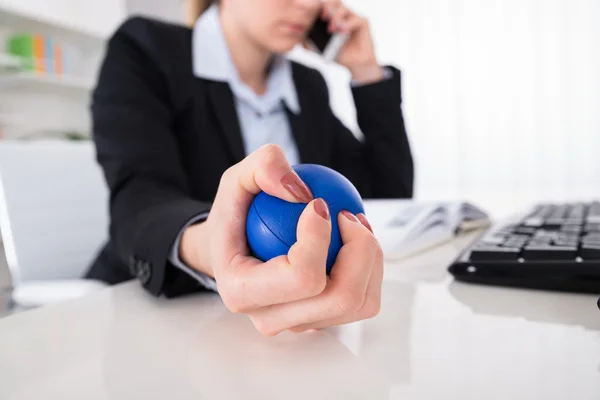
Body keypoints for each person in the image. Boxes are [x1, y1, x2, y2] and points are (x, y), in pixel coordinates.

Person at [86, 0, 413, 336]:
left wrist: (366, 72)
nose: (307, 5)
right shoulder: (146, 48)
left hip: (288, 335)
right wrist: (214, 247)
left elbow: (386, 200)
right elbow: (139, 199)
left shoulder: (307, 84)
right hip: (152, 312)